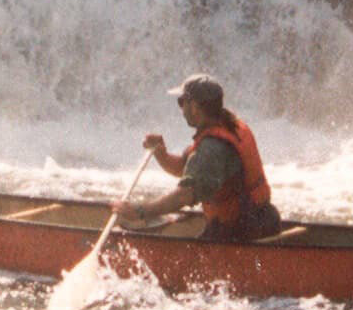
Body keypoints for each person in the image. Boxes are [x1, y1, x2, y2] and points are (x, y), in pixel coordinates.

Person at [114, 74, 283, 242]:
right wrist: (162, 155)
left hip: (241, 231)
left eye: (181, 102)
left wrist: (140, 211)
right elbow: (184, 168)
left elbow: (185, 195)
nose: (181, 109)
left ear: (194, 106)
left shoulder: (213, 147)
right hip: (259, 220)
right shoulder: (229, 125)